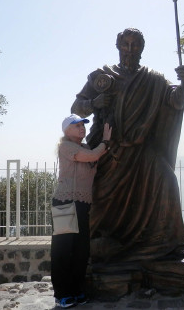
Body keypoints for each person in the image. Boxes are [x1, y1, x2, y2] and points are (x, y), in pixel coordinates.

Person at [71, 28, 184, 265]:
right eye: (125, 44)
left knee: (167, 180)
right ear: (118, 46)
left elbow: (175, 100)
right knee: (99, 199)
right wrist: (94, 102)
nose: (129, 49)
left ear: (141, 48)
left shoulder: (153, 79)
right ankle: (100, 242)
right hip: (109, 150)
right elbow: (77, 107)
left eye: (135, 45)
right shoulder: (102, 75)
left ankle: (171, 243)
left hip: (140, 150)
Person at [51, 114, 112, 308]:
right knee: (63, 250)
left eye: (83, 125)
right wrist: (106, 141)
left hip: (83, 204)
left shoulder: (85, 147)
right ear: (66, 130)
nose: (81, 128)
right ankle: (62, 294)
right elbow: (94, 156)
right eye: (76, 125)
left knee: (81, 250)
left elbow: (94, 154)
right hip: (64, 203)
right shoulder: (66, 147)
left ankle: (76, 291)